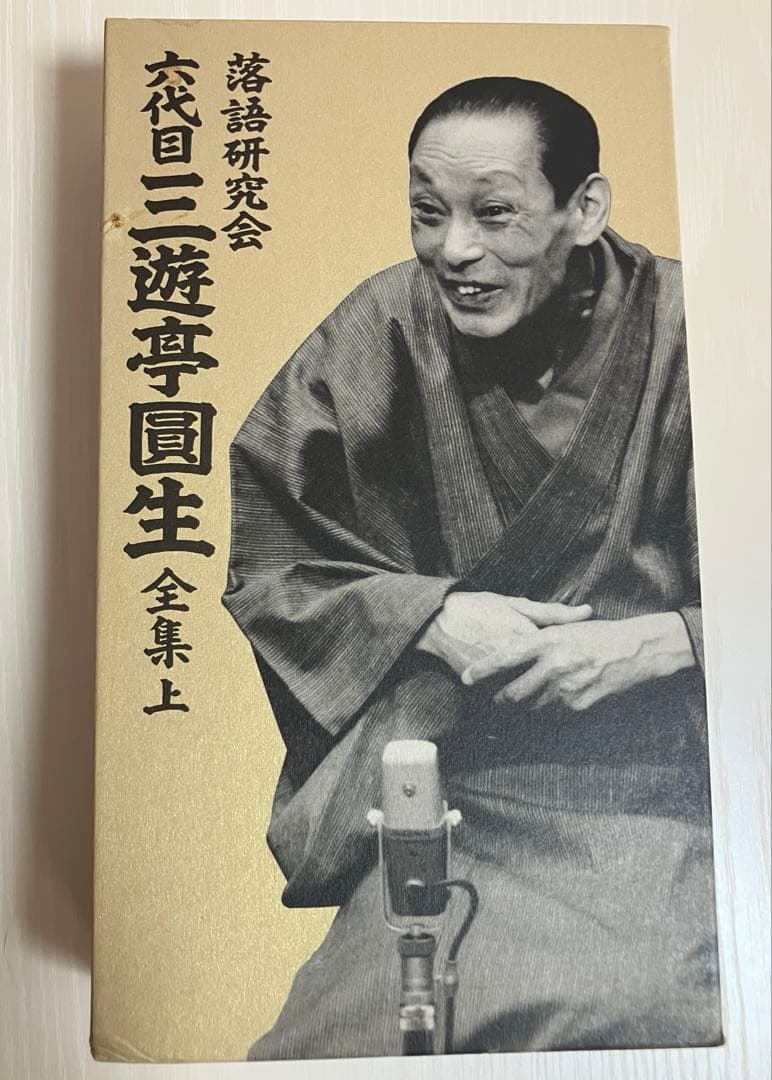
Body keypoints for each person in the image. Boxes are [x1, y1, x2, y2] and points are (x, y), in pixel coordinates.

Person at [223, 77, 722, 1059]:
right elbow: (276, 552)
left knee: (651, 1020)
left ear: (584, 207)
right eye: (428, 212)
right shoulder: (386, 329)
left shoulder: (697, 330)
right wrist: (429, 616)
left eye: (494, 213)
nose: (454, 249)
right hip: (449, 789)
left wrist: (675, 640)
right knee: (331, 1048)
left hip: (661, 791)